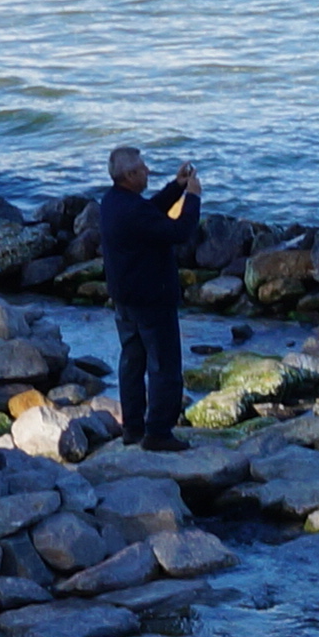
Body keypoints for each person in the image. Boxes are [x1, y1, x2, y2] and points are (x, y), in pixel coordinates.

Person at [93, 143, 200, 448]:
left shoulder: (114, 201)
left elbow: (149, 213)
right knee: (164, 367)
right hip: (151, 298)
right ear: (129, 174)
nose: (147, 171)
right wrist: (192, 197)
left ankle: (134, 428)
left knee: (132, 363)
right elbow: (179, 232)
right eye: (142, 168)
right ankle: (158, 433)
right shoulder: (131, 209)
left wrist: (176, 187)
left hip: (125, 298)